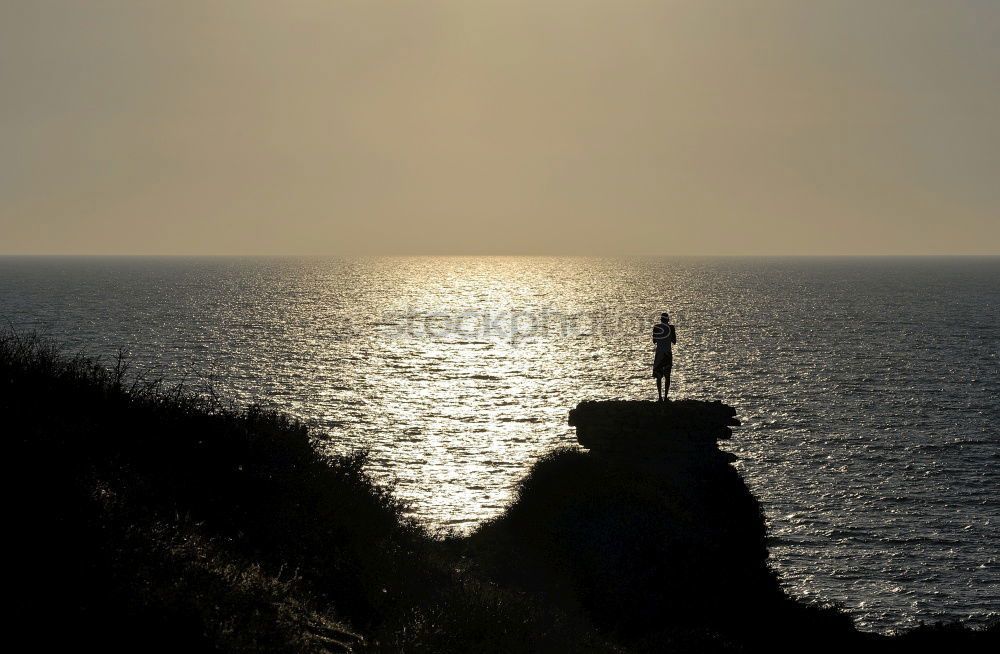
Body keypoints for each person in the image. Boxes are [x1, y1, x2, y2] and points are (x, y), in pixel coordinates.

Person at [652, 312, 676, 401]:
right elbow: (674, 341)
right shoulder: (671, 328)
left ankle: (659, 397)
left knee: (658, 376)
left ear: (661, 320)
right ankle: (666, 397)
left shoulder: (656, 328)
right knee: (667, 376)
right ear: (668, 320)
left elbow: (654, 341)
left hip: (659, 354)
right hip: (667, 354)